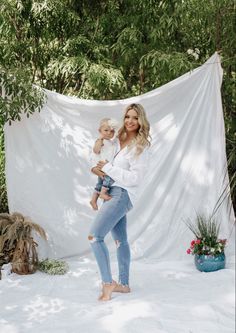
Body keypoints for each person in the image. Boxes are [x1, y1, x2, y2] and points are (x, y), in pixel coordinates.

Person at [88, 103, 151, 301]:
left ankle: (108, 283)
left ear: (141, 121)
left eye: (135, 117)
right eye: (127, 117)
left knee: (95, 237)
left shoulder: (141, 146)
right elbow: (100, 154)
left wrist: (108, 168)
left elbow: (135, 178)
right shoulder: (118, 140)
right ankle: (123, 285)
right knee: (120, 240)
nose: (130, 121)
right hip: (112, 192)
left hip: (122, 194)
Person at [90, 118, 118, 210]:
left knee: (99, 183)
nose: (109, 133)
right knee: (108, 179)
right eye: (106, 130)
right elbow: (96, 150)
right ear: (100, 131)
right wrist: (100, 139)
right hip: (102, 165)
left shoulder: (111, 142)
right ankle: (103, 193)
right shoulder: (100, 141)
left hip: (106, 165)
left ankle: (93, 200)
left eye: (112, 131)